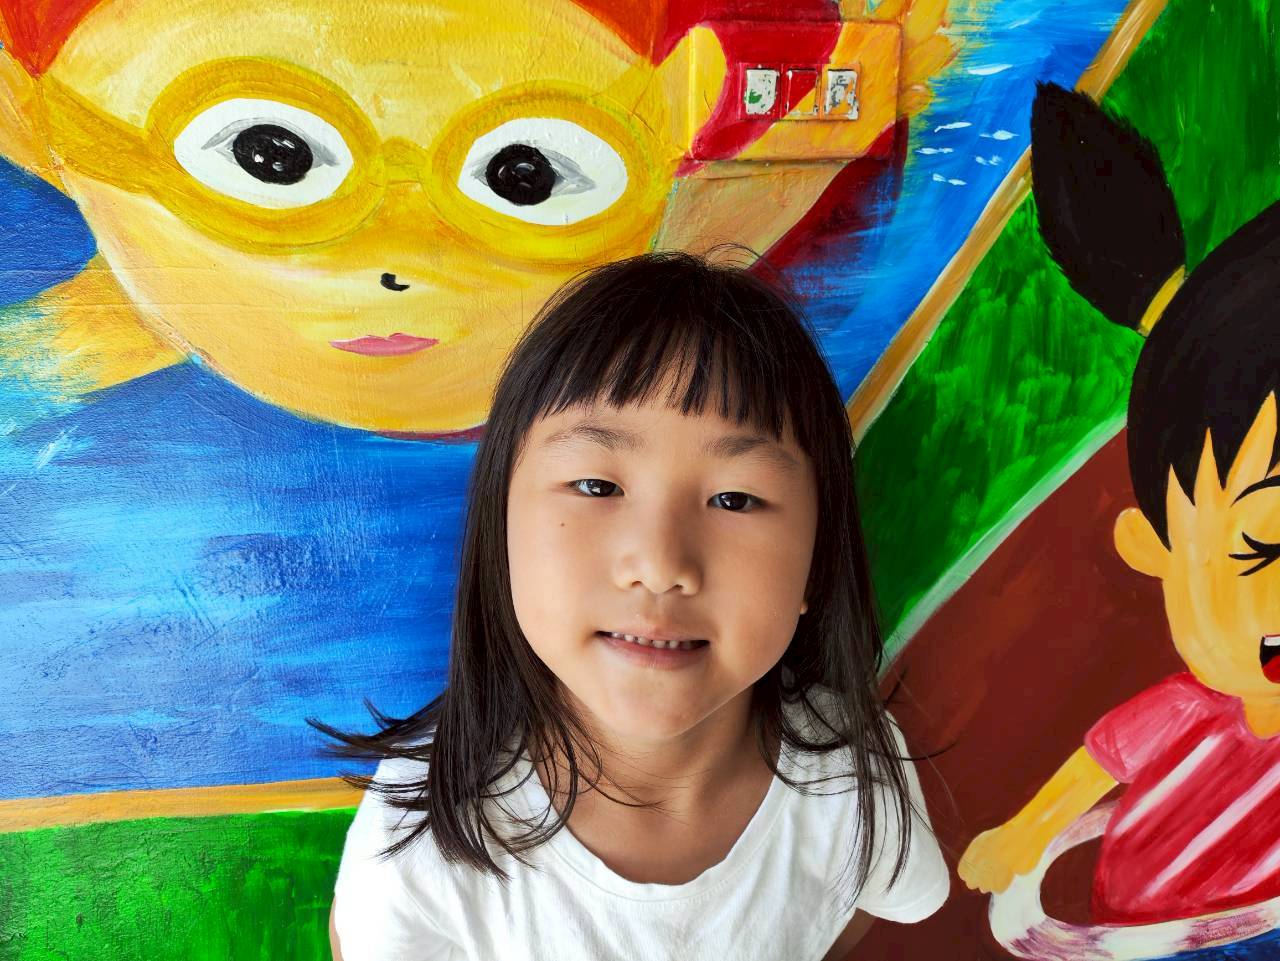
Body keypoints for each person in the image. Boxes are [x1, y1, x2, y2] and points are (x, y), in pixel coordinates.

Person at [311, 249, 950, 959]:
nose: (660, 565)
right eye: (596, 486)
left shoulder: (851, 773)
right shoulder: (422, 826)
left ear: (816, 562)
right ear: (502, 528)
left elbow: (851, 910)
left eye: (735, 498)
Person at [959, 83, 1280, 927]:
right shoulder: (1181, 713)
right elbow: (1096, 767)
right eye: (1265, 548)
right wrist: (1026, 833)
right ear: (1155, 544)